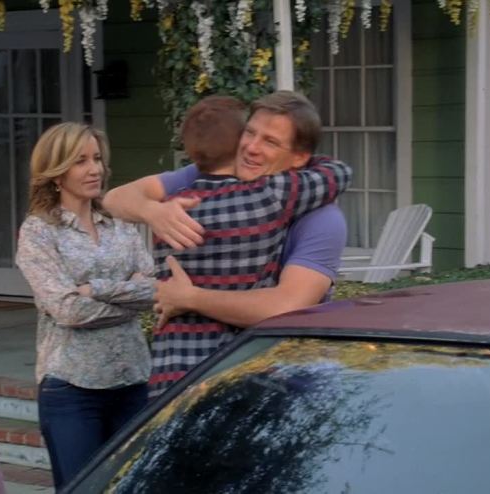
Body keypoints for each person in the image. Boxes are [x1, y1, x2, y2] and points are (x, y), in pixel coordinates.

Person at [104, 91, 351, 396]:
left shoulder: (323, 220)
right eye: (249, 132)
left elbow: (286, 306)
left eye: (270, 142)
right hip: (196, 382)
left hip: (280, 385)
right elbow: (115, 199)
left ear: (300, 158)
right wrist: (153, 211)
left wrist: (189, 298)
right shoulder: (210, 175)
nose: (251, 147)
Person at [15, 122, 154, 488]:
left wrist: (95, 289)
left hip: (132, 380)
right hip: (72, 390)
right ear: (56, 172)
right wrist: (130, 298)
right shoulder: (38, 232)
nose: (95, 169)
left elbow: (153, 289)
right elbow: (69, 310)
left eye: (97, 159)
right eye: (80, 161)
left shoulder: (119, 223)